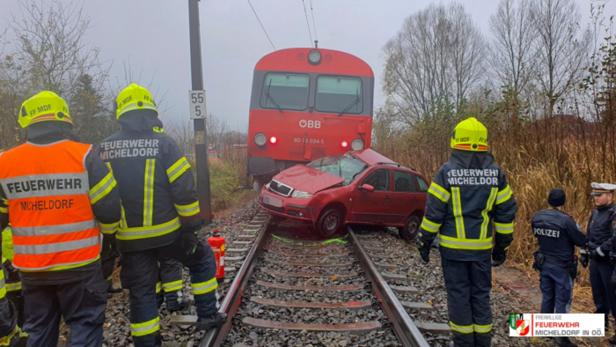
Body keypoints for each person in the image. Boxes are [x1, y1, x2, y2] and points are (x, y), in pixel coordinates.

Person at [99, 83, 224, 347]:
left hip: (130, 242)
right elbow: (185, 191)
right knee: (201, 260)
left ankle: (147, 342)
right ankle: (207, 314)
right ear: (151, 112)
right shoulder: (164, 144)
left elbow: (101, 199)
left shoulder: (104, 150)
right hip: (169, 236)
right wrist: (190, 229)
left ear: (120, 112)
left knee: (142, 292)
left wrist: (109, 238)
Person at [0, 90, 121, 346]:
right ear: (65, 120)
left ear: (27, 124)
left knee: (38, 328)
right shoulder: (86, 156)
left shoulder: (5, 163)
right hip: (81, 265)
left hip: (33, 270)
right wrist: (110, 238)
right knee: (85, 324)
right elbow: (110, 209)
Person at [417, 117, 517, 347]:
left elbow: (434, 213)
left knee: (459, 295)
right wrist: (501, 246)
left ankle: (463, 342)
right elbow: (506, 213)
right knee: (481, 295)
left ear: (456, 140)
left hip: (453, 251)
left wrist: (424, 242)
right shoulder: (496, 174)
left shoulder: (446, 172)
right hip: (481, 250)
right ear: (483, 142)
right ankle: (482, 342)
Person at [531, 188, 585, 347]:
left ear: (548, 200)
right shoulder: (566, 220)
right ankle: (561, 337)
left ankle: (544, 331)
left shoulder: (537, 217)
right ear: (564, 201)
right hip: (561, 266)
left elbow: (537, 235)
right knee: (563, 300)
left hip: (544, 263)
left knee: (547, 296)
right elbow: (581, 240)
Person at [585, 182, 616, 343]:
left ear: (610, 196)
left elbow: (615, 237)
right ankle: (601, 324)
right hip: (595, 260)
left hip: (607, 261)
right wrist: (585, 250)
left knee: (612, 295)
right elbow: (589, 232)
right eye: (594, 195)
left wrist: (602, 249)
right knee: (597, 292)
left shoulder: (613, 213)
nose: (596, 198)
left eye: (599, 195)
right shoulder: (595, 212)